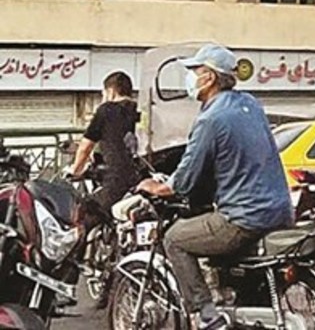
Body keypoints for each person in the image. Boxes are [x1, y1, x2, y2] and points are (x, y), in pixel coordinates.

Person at [135, 44, 293, 330]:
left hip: (244, 217)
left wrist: (157, 187)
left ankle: (207, 316)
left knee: (174, 239)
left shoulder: (211, 119)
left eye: (194, 71)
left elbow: (183, 181)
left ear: (208, 77)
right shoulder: (251, 104)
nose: (190, 78)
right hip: (281, 209)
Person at [69, 71, 139, 212]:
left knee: (88, 211)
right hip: (139, 177)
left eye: (103, 94)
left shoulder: (106, 110)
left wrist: (75, 170)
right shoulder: (138, 110)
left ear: (110, 91)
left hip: (115, 179)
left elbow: (85, 147)